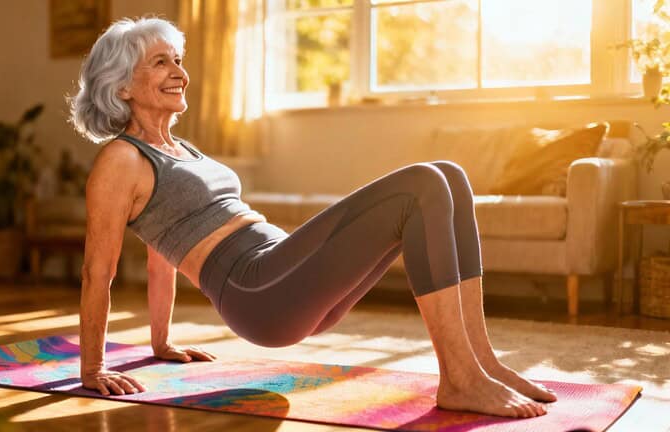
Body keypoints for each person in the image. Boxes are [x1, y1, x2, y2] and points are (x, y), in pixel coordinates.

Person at [70, 16, 556, 419]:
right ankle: (459, 378)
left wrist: (161, 343)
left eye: (178, 59)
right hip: (258, 292)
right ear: (122, 85)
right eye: (160, 62)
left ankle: (481, 364)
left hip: (282, 276)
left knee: (449, 175)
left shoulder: (180, 149)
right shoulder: (120, 160)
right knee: (423, 184)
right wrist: (92, 369)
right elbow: (98, 271)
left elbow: (162, 257)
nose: (178, 71)